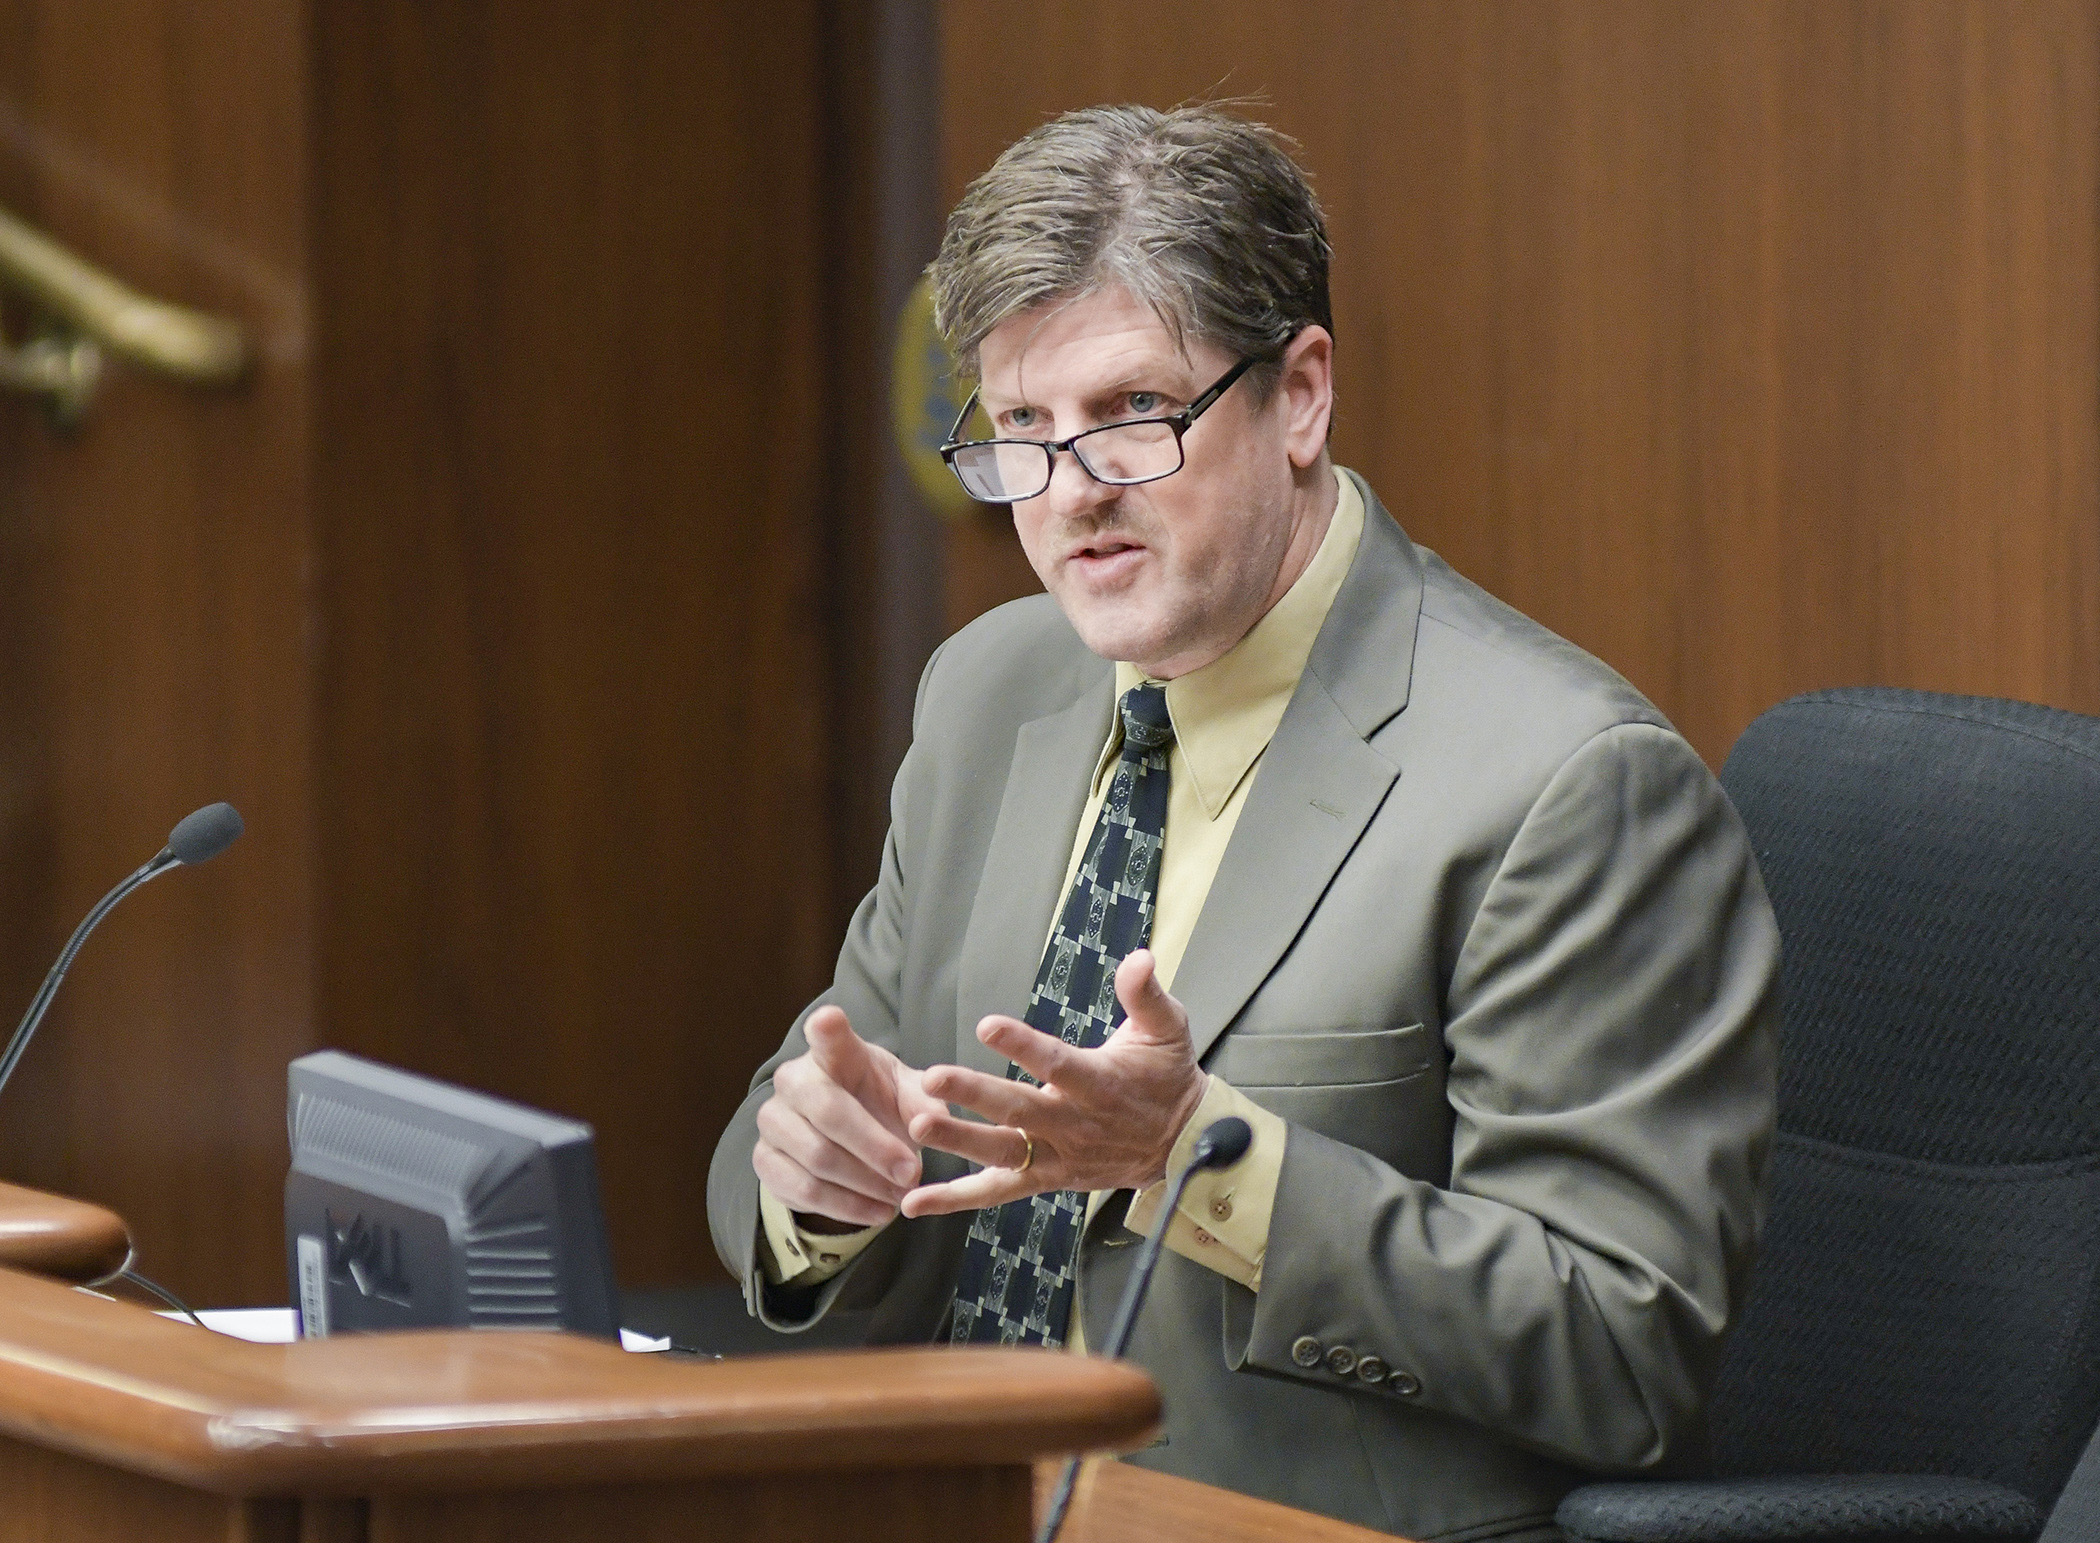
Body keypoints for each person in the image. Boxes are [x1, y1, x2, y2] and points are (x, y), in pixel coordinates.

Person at [707, 103, 1779, 1541]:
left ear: (1302, 396)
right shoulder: (992, 690)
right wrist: (824, 1187)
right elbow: (789, 1141)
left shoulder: (1567, 784)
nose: (1071, 494)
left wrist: (1202, 1159)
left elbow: (1620, 1346)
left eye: (1132, 416)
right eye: (1021, 429)